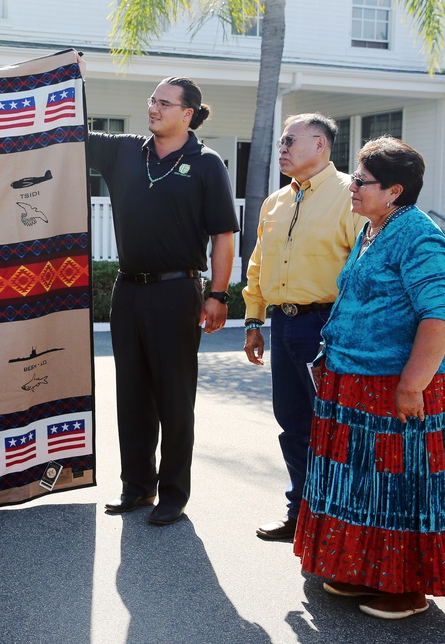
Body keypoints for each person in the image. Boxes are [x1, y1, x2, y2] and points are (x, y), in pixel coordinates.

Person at [294, 136, 445, 619]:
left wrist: (411, 384)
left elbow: (437, 316)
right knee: (357, 482)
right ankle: (361, 571)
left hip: (393, 385)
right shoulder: (372, 230)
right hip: (352, 379)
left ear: (395, 191)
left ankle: (407, 589)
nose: (352, 187)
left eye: (362, 180)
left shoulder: (419, 235)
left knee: (397, 487)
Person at [88, 77, 238, 525]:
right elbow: (68, 128)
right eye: (151, 100)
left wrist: (217, 294)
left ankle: (174, 492)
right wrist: (65, 77)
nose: (153, 108)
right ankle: (137, 486)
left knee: (174, 397)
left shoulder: (208, 164)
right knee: (131, 393)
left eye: (164, 103)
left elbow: (223, 238)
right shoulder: (124, 151)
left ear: (187, 112)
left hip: (177, 291)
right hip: (128, 289)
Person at [242, 114, 364, 541]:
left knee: (332, 427)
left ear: (320, 145)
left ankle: (337, 523)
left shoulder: (352, 195)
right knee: (292, 423)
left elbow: (362, 270)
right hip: (284, 325)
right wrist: (254, 319)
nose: (283, 148)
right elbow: (259, 264)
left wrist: (343, 332)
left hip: (328, 327)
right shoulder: (275, 202)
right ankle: (301, 513)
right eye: (280, 141)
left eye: (290, 140)